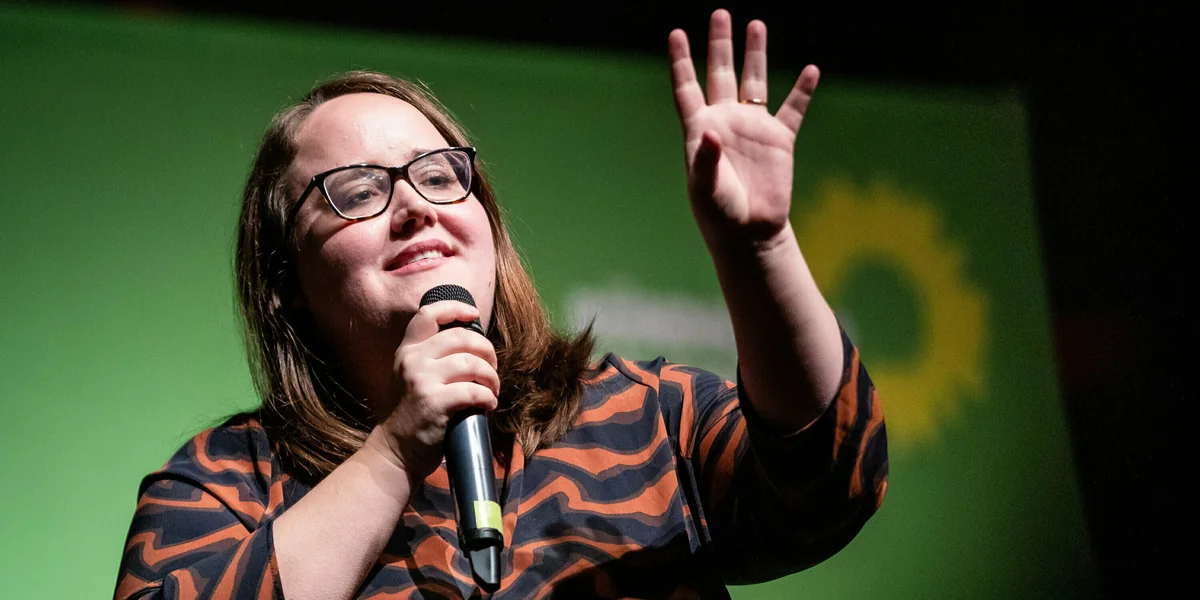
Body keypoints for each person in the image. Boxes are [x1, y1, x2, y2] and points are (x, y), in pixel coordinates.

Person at [114, 9, 887, 599]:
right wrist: (395, 453)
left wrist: (759, 250)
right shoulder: (225, 483)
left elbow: (833, 483)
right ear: (283, 275)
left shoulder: (643, 417)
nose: (416, 206)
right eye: (359, 190)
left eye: (440, 175)